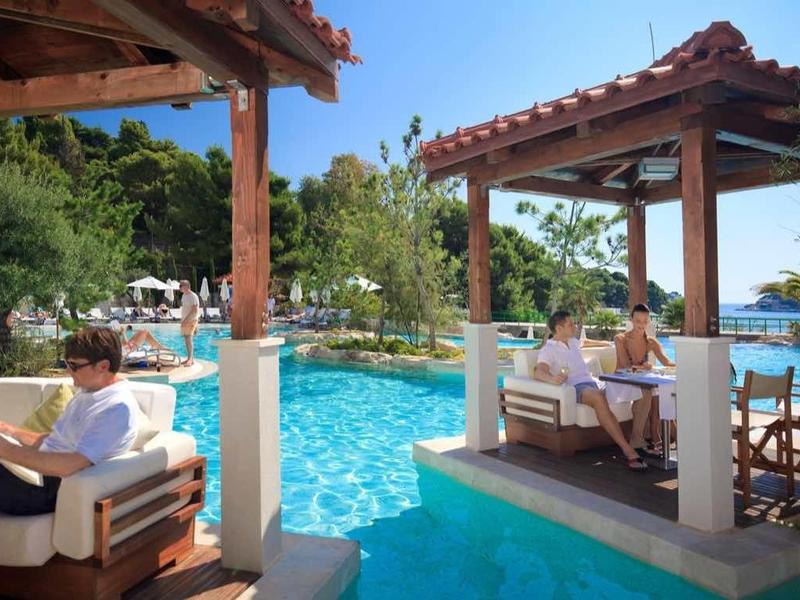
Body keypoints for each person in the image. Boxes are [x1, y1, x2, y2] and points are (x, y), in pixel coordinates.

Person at [0, 327, 138, 515]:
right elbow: (54, 442)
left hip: (53, 492)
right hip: (44, 479)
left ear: (103, 366)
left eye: (74, 365)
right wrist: (9, 430)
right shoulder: (89, 392)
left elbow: (69, 464)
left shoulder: (117, 408)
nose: (67, 370)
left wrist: (6, 450)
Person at [534, 310, 648, 471]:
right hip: (577, 388)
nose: (574, 326)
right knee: (597, 398)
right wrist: (553, 379)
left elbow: (586, 341)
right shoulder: (548, 349)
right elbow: (539, 372)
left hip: (594, 382)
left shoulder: (573, 342)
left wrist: (608, 343)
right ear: (559, 329)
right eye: (570, 324)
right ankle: (627, 450)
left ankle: (640, 438)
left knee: (639, 387)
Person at [615, 303, 675, 453]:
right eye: (637, 321)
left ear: (648, 321)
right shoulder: (620, 339)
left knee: (663, 392)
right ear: (631, 320)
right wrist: (644, 367)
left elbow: (667, 362)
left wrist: (690, 365)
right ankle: (637, 438)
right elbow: (624, 365)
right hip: (622, 380)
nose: (641, 325)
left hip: (642, 381)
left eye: (644, 321)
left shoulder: (651, 342)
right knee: (647, 391)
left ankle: (666, 438)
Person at [179, 280, 200, 367]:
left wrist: (185, 320)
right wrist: (183, 319)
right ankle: (189, 358)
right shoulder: (184, 295)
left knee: (189, 339)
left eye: (181, 285)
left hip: (191, 320)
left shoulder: (193, 296)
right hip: (185, 320)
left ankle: (190, 359)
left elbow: (194, 310)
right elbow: (185, 308)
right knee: (186, 340)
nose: (179, 287)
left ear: (187, 286)